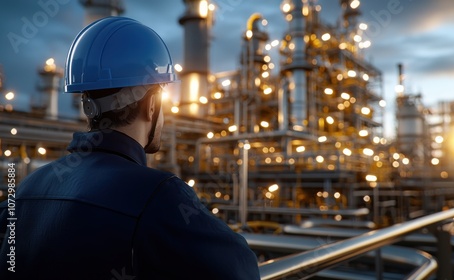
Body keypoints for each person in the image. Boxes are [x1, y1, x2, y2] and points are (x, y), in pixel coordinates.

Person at [0, 17, 260, 279]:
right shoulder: (159, 196)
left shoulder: (27, 189)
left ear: (86, 104)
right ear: (151, 106)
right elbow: (242, 270)